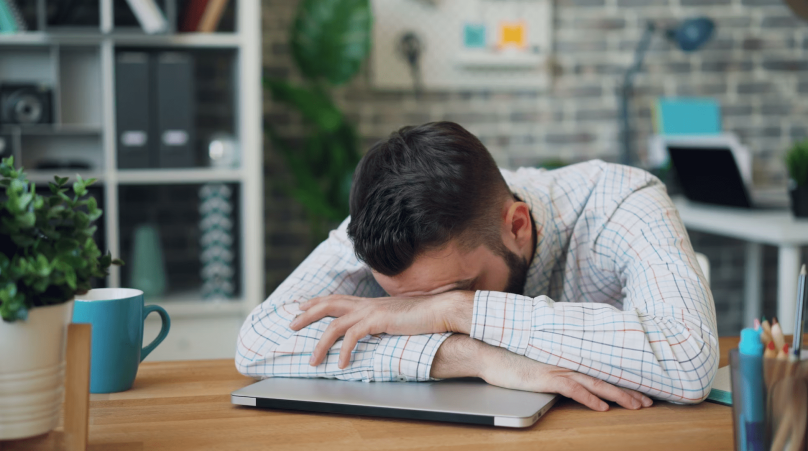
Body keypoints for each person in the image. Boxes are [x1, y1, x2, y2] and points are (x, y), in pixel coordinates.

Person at [236, 121, 717, 411]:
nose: (417, 314)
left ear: (518, 225)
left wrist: (456, 311)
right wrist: (472, 356)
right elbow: (258, 342)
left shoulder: (622, 201)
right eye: (407, 302)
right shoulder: (380, 227)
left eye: (454, 288)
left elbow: (689, 359)